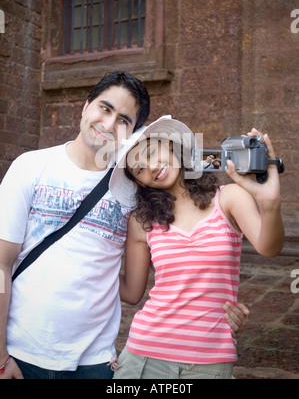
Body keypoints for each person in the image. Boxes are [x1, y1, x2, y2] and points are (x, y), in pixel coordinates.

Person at [0, 74, 248, 380]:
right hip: (22, 353)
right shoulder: (30, 166)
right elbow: (1, 266)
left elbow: (175, 253)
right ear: (86, 105)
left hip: (95, 361)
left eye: (123, 120)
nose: (107, 124)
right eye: (104, 109)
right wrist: (0, 356)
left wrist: (217, 307)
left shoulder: (134, 190)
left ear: (132, 132)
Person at [109, 116, 284, 379]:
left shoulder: (228, 198)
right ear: (139, 182)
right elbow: (132, 293)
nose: (151, 167)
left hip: (210, 360)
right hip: (144, 355)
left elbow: (269, 248)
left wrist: (269, 202)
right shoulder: (142, 221)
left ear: (169, 145)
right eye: (138, 169)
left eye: (152, 152)